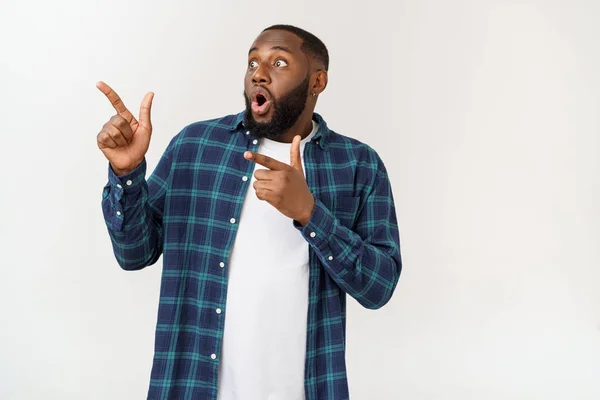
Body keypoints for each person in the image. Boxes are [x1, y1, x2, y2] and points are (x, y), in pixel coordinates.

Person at [97, 24, 402, 400]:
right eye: (252, 61)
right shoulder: (196, 147)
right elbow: (134, 253)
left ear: (317, 82)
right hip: (195, 388)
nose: (259, 72)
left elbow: (380, 287)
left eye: (278, 62)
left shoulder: (358, 165)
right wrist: (126, 174)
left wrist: (310, 213)